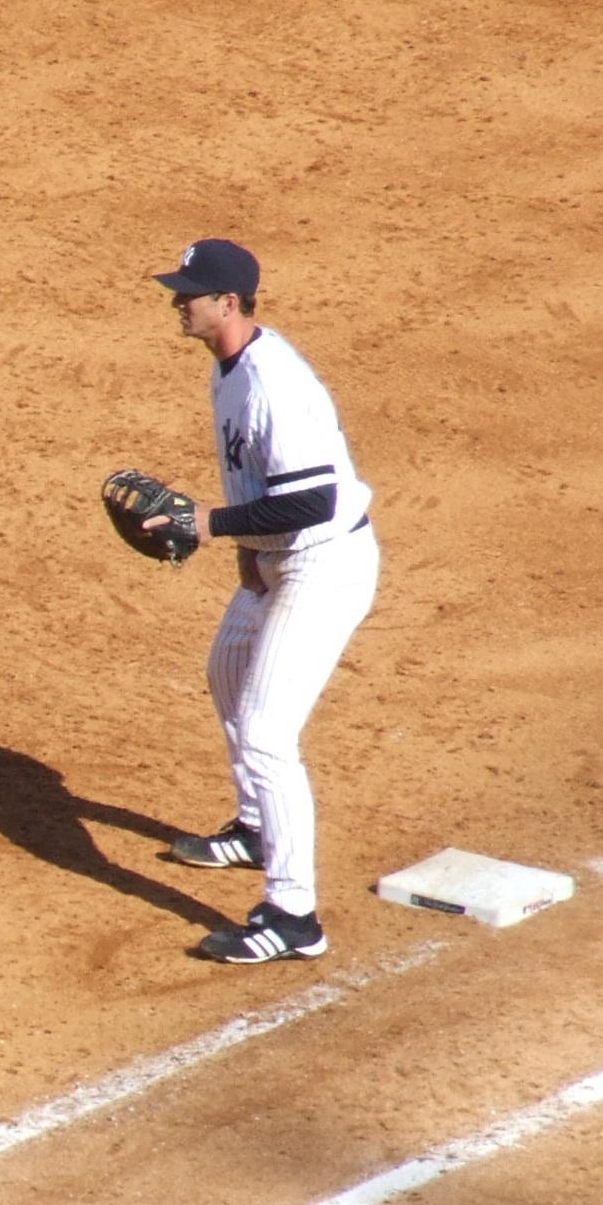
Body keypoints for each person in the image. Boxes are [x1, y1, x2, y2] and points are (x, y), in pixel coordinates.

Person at [152, 238, 379, 963]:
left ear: (230, 302)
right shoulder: (229, 366)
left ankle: (293, 917)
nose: (177, 302)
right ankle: (256, 829)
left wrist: (211, 525)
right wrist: (247, 553)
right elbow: (258, 479)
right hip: (277, 558)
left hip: (324, 565)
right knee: (227, 672)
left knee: (265, 733)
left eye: (189, 292)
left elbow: (312, 501)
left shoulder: (271, 383)